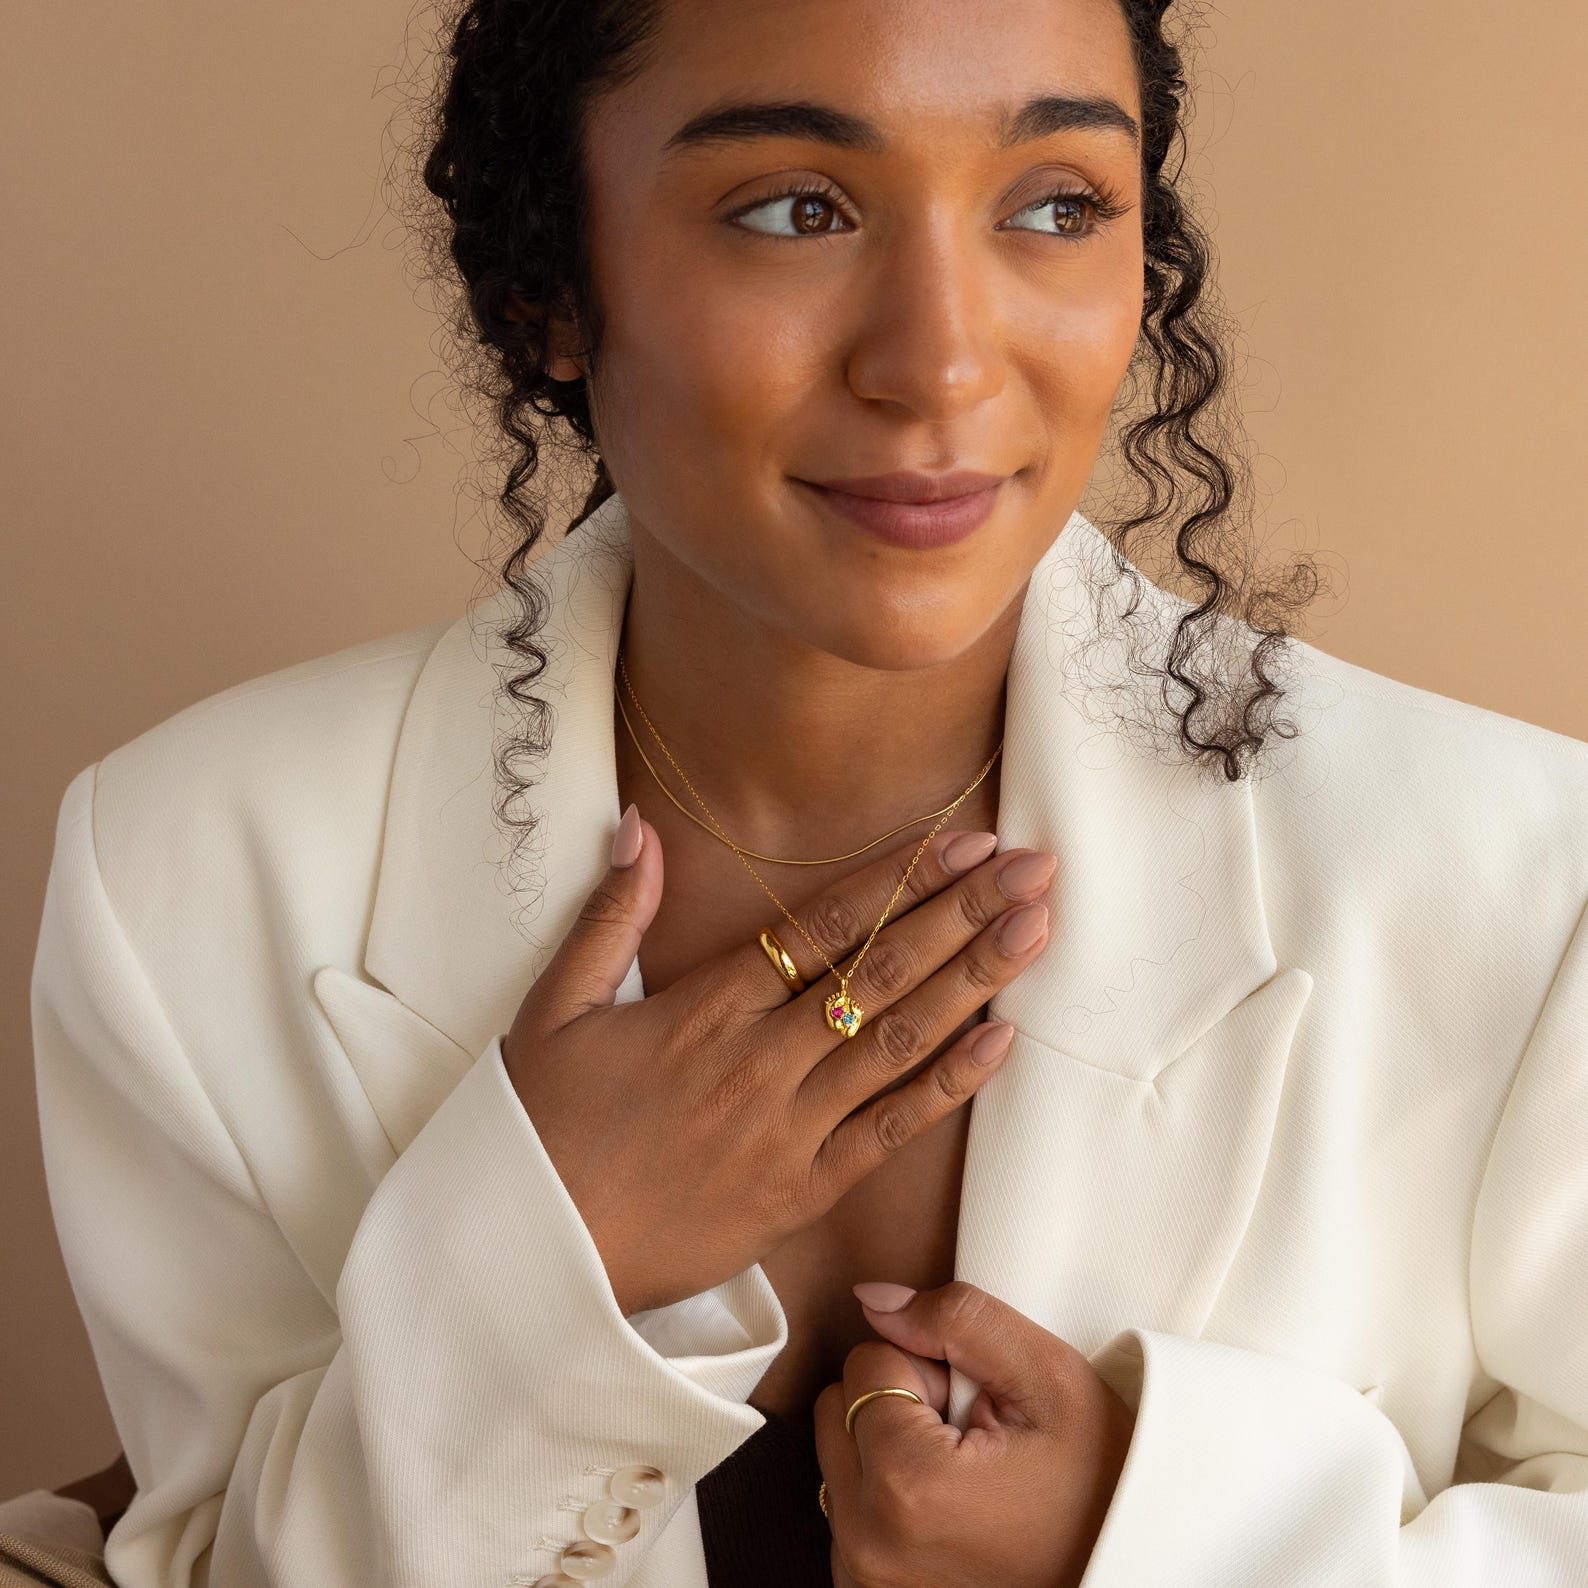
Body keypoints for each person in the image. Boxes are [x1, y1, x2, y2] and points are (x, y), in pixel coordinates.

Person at [22, 0, 1588, 1585]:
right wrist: (527, 1271)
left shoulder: (1520, 880)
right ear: (549, 289)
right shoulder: (177, 879)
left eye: (1055, 204)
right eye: (796, 210)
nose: (942, 362)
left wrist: (1151, 1547)